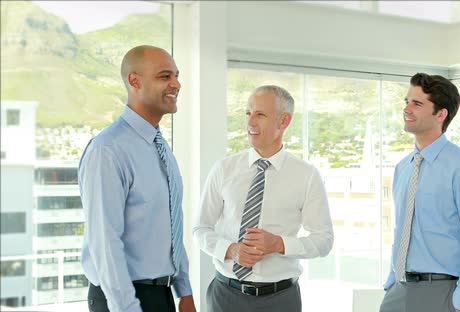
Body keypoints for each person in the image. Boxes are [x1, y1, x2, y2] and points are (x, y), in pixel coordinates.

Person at [194, 85, 334, 312]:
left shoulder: (306, 175)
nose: (250, 122)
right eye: (248, 113)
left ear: (284, 121)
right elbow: (200, 229)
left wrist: (279, 244)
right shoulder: (224, 169)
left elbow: (323, 240)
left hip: (280, 300)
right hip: (225, 296)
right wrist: (231, 250)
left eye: (260, 114)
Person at [78, 45, 195, 312]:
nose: (176, 84)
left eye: (177, 76)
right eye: (165, 76)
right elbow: (105, 243)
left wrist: (184, 291)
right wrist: (127, 307)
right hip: (123, 298)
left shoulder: (160, 148)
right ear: (134, 81)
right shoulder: (107, 150)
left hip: (162, 295)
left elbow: (170, 226)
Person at [380, 73, 460, 312]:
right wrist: (392, 280)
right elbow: (401, 230)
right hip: (398, 291)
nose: (407, 109)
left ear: (441, 114)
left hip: (442, 293)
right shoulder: (403, 168)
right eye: (407, 101)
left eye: (417, 104)